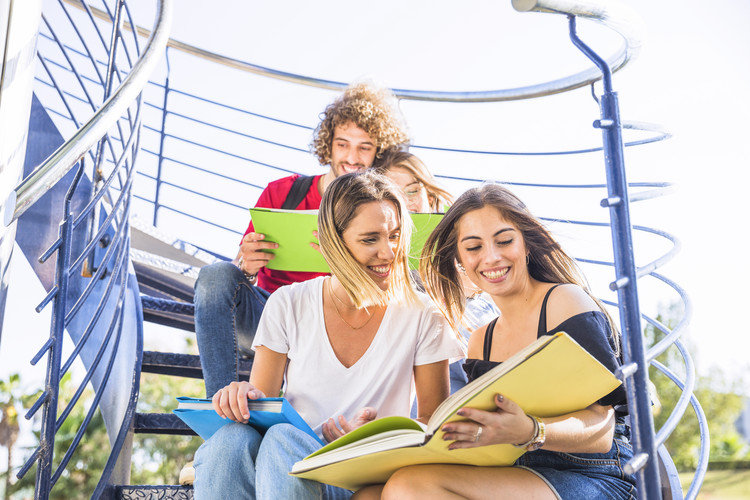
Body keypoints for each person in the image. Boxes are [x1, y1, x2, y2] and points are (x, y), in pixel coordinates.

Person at [353, 183, 635, 500]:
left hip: (595, 473)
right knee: (369, 495)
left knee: (410, 487)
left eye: (504, 241)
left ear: (527, 244)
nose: (491, 257)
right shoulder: (480, 340)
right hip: (517, 470)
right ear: (459, 259)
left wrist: (531, 430)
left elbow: (602, 430)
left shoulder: (563, 302)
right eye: (473, 247)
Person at [192, 171, 462, 500]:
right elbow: (262, 404)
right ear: (332, 242)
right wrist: (240, 396)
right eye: (370, 239)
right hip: (284, 467)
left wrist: (377, 437)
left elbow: (432, 425)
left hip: (359, 472)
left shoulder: (423, 315)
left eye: (394, 236)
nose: (389, 252)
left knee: (282, 443)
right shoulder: (288, 303)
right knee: (228, 441)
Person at [194, 83, 410, 398]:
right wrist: (247, 265)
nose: (352, 157)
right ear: (329, 145)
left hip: (335, 324)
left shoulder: (384, 213)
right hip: (269, 316)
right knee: (215, 275)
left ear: (379, 151)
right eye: (343, 144)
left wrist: (342, 260)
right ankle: (221, 402)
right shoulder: (282, 193)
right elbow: (238, 276)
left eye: (365, 147)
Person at [374, 150, 499, 394]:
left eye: (412, 191)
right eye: (394, 196)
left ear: (429, 197)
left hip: (462, 323)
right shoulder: (375, 253)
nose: (406, 203)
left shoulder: (461, 235)